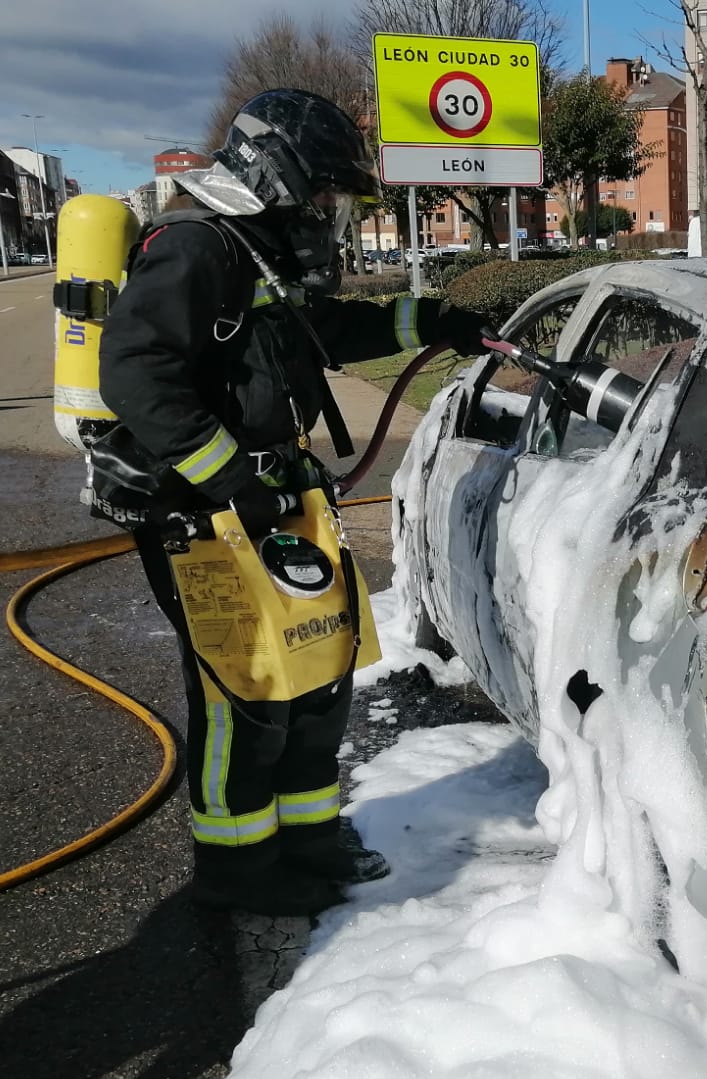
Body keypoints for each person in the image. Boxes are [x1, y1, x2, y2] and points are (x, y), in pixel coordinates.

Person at [99, 89, 493, 916]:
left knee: (317, 678)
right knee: (243, 693)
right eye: (322, 192)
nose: (328, 211)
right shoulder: (196, 247)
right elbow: (137, 376)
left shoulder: (260, 249)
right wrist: (231, 482)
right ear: (275, 172)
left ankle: (309, 837)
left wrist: (438, 321)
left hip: (272, 496)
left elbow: (328, 333)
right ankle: (239, 865)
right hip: (202, 513)